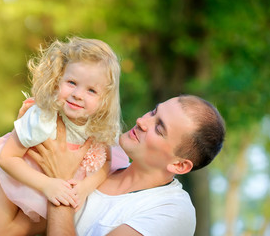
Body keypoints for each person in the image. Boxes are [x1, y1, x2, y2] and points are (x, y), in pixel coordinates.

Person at [0, 37, 126, 235]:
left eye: (91, 90)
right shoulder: (43, 117)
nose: (78, 94)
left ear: (104, 100)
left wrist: (85, 187)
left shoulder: (99, 126)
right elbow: (7, 158)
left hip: (63, 191)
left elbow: (107, 161)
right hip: (27, 180)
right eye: (72, 82)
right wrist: (48, 185)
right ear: (58, 80)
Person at [27, 94, 225, 236]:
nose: (141, 121)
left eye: (159, 128)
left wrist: (60, 184)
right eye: (153, 112)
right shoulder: (100, 157)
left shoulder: (172, 211)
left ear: (179, 165)